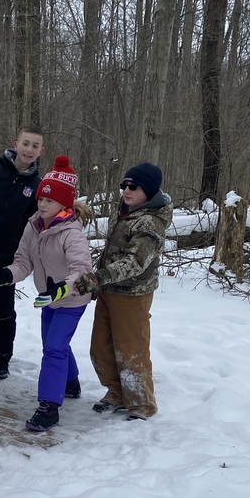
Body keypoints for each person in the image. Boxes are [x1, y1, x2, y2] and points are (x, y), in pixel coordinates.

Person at [0, 155, 94, 431]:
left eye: (49, 200)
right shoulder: (34, 226)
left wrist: (61, 289)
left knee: (53, 348)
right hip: (47, 299)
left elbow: (82, 270)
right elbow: (23, 262)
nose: (42, 204)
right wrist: (5, 275)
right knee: (54, 343)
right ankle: (70, 383)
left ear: (64, 203)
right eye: (41, 199)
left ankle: (49, 406)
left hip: (72, 299)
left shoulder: (71, 233)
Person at [74, 162, 173, 420]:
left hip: (132, 294)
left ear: (149, 191)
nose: (126, 190)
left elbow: (135, 262)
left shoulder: (150, 222)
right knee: (101, 347)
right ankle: (116, 393)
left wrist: (100, 277)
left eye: (133, 187)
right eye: (124, 186)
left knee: (131, 350)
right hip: (109, 289)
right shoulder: (125, 211)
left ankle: (141, 405)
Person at [0, 128, 45, 378]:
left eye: (35, 146)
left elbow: (34, 224)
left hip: (6, 260)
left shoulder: (37, 186)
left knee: (3, 312)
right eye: (26, 143)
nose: (29, 149)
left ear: (40, 151)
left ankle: (1, 359)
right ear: (15, 144)